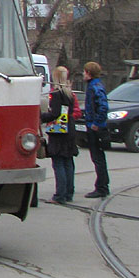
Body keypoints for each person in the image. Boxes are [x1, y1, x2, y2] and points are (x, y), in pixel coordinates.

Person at [41, 65, 78, 203]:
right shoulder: (69, 93)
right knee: (68, 161)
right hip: (70, 128)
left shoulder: (56, 94)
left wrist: (42, 116)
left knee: (58, 162)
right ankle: (69, 192)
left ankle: (60, 195)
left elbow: (55, 114)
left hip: (59, 130)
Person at [82, 61, 110, 198]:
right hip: (94, 124)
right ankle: (102, 185)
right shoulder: (93, 85)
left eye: (84, 71)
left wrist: (96, 123)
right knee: (98, 158)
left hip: (96, 127)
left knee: (98, 158)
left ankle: (102, 187)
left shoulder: (95, 87)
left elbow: (103, 106)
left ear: (89, 73)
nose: (83, 74)